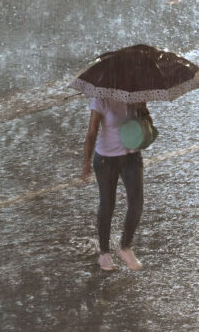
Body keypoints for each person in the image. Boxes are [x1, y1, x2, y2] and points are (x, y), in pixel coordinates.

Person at [81, 98, 146, 271]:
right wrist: (86, 162)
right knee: (108, 204)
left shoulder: (136, 94)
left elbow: (147, 127)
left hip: (132, 157)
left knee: (137, 205)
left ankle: (125, 247)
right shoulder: (101, 99)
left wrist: (143, 110)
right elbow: (92, 131)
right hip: (105, 160)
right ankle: (104, 253)